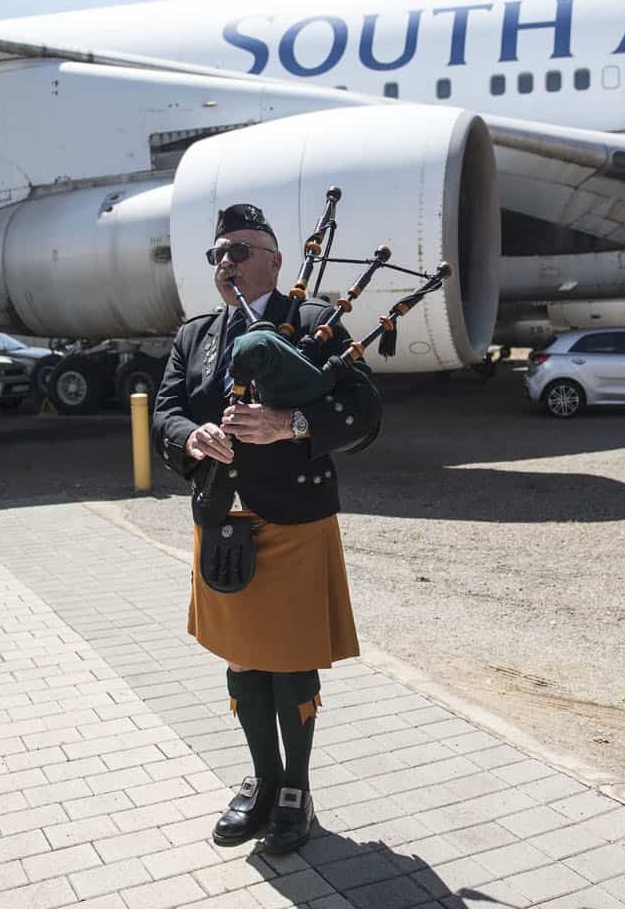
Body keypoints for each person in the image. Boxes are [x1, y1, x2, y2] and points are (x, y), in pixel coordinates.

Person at [152, 202, 381, 854]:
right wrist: (190, 438)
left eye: (241, 250)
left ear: (277, 261)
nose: (226, 262)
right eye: (218, 252)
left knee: (290, 661)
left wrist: (293, 425)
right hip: (223, 517)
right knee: (245, 659)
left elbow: (363, 411)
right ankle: (263, 778)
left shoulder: (313, 322)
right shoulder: (194, 336)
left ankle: (295, 793)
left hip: (295, 518)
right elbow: (164, 411)